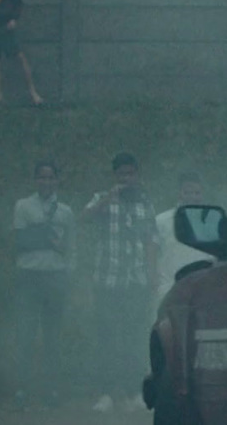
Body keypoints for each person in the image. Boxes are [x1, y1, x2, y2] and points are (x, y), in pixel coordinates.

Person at [80, 152, 158, 413]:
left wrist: (151, 275)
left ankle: (134, 392)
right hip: (107, 280)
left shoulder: (145, 203)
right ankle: (106, 394)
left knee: (134, 338)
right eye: (122, 174)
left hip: (135, 281)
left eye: (130, 174)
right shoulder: (104, 198)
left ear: (137, 175)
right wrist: (107, 199)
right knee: (107, 338)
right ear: (115, 176)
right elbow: (85, 218)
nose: (126, 179)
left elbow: (150, 241)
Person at [11, 159, 74, 410]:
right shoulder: (23, 206)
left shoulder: (65, 212)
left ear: (57, 180)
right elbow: (20, 240)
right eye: (42, 177)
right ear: (35, 180)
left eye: (51, 178)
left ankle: (52, 390)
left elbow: (70, 247)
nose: (46, 182)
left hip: (55, 276)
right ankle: (21, 389)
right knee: (25, 334)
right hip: (28, 274)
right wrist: (47, 239)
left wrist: (69, 270)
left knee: (52, 336)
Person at [153, 171, 212, 308]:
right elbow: (152, 250)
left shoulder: (210, 221)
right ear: (180, 193)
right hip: (170, 288)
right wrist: (154, 280)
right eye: (188, 193)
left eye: (197, 193)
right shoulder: (162, 221)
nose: (193, 197)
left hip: (203, 289)